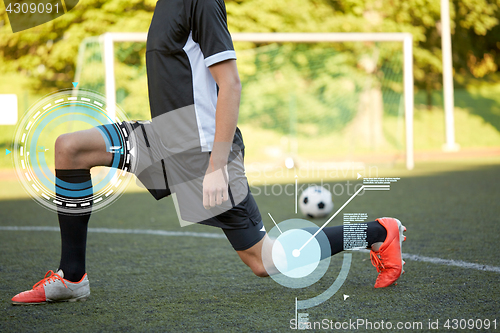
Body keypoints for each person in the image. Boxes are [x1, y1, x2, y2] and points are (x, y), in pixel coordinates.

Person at [11, 0, 406, 305]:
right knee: (71, 148)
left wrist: (218, 166)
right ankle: (72, 277)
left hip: (202, 152)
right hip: (163, 139)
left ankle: (377, 232)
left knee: (266, 262)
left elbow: (230, 84)